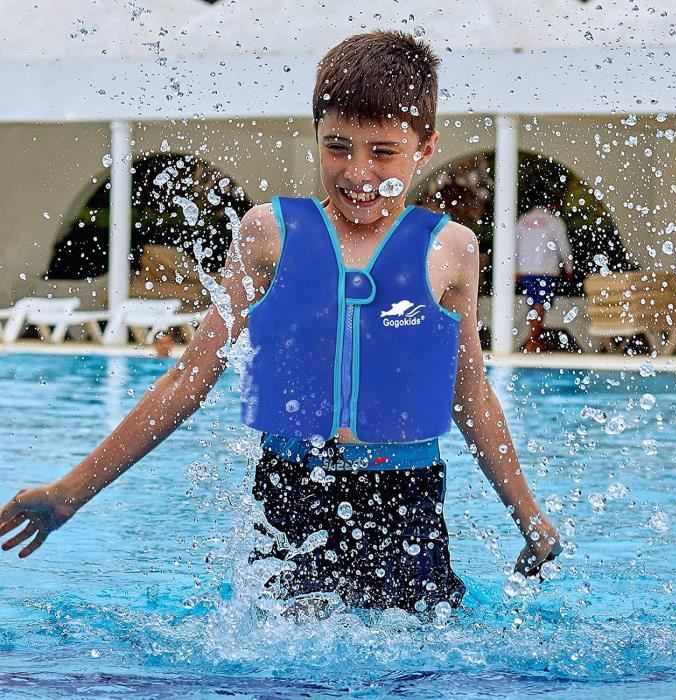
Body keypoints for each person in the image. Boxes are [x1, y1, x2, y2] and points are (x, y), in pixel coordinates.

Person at [0, 31, 561, 614]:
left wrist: (529, 517)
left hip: (406, 503)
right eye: (338, 147)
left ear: (425, 147)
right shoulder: (269, 234)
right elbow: (186, 381)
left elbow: (469, 393)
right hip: (292, 493)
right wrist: (71, 493)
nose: (359, 172)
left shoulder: (451, 249)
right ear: (316, 134)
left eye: (384, 151)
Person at [515, 199, 574, 353]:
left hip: (526, 269)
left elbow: (514, 245)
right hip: (546, 270)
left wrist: (515, 268)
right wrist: (569, 267)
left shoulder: (523, 221)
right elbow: (564, 245)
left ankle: (534, 338)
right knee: (540, 304)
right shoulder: (554, 221)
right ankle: (533, 340)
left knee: (532, 304)